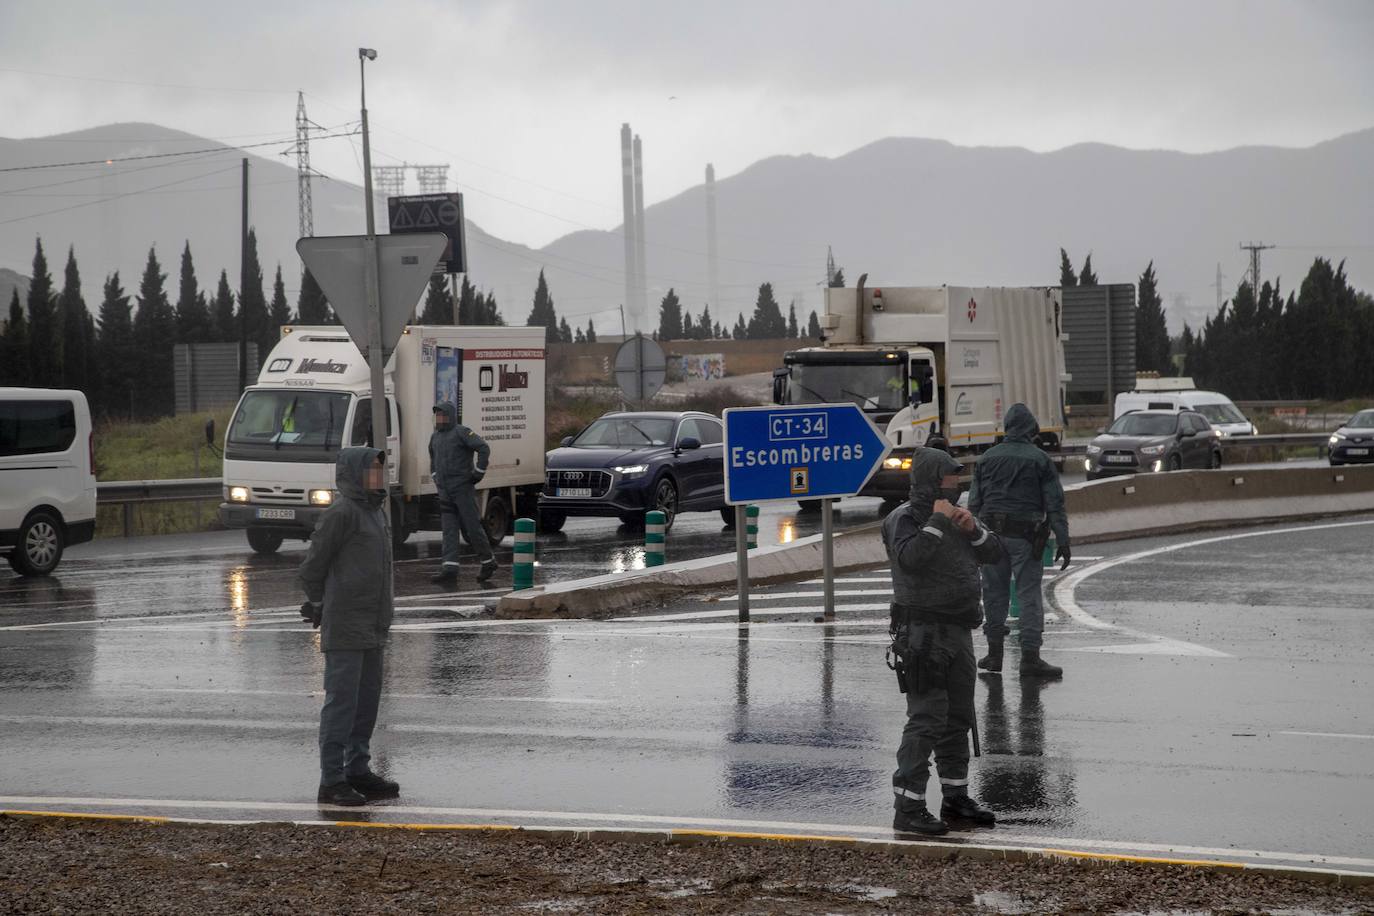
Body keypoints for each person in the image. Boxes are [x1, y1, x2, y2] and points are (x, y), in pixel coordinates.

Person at [883, 442, 1004, 836]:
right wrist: (936, 522)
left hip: (959, 630)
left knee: (959, 717)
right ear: (933, 481)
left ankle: (956, 797)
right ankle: (909, 807)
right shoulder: (904, 518)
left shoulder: (959, 516)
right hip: (922, 633)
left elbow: (995, 553)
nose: (956, 486)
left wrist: (974, 530)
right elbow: (910, 560)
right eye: (950, 479)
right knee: (927, 719)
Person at [298, 447, 399, 807]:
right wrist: (318, 603)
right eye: (371, 468)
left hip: (374, 624)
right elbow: (313, 566)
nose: (376, 475)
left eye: (379, 469)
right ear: (354, 472)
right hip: (345, 622)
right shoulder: (342, 513)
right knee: (342, 704)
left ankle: (358, 770)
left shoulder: (377, 512)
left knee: (366, 704)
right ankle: (332, 779)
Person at [968, 403, 1070, 679]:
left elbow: (973, 503)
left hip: (991, 538)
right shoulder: (1039, 459)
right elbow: (1055, 503)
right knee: (1028, 596)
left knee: (993, 594)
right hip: (1027, 538)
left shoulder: (987, 459)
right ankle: (1030, 658)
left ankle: (994, 655)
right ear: (1030, 429)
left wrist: (971, 539)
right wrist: (1063, 539)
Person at [429, 402, 497, 584]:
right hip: (445, 491)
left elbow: (483, 448)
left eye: (443, 415)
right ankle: (449, 568)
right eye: (437, 415)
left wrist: (478, 472)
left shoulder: (461, 432)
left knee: (472, 527)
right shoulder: (435, 437)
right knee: (449, 530)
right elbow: (433, 459)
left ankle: (488, 562)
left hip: (462, 489)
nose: (439, 418)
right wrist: (435, 476)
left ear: (450, 416)